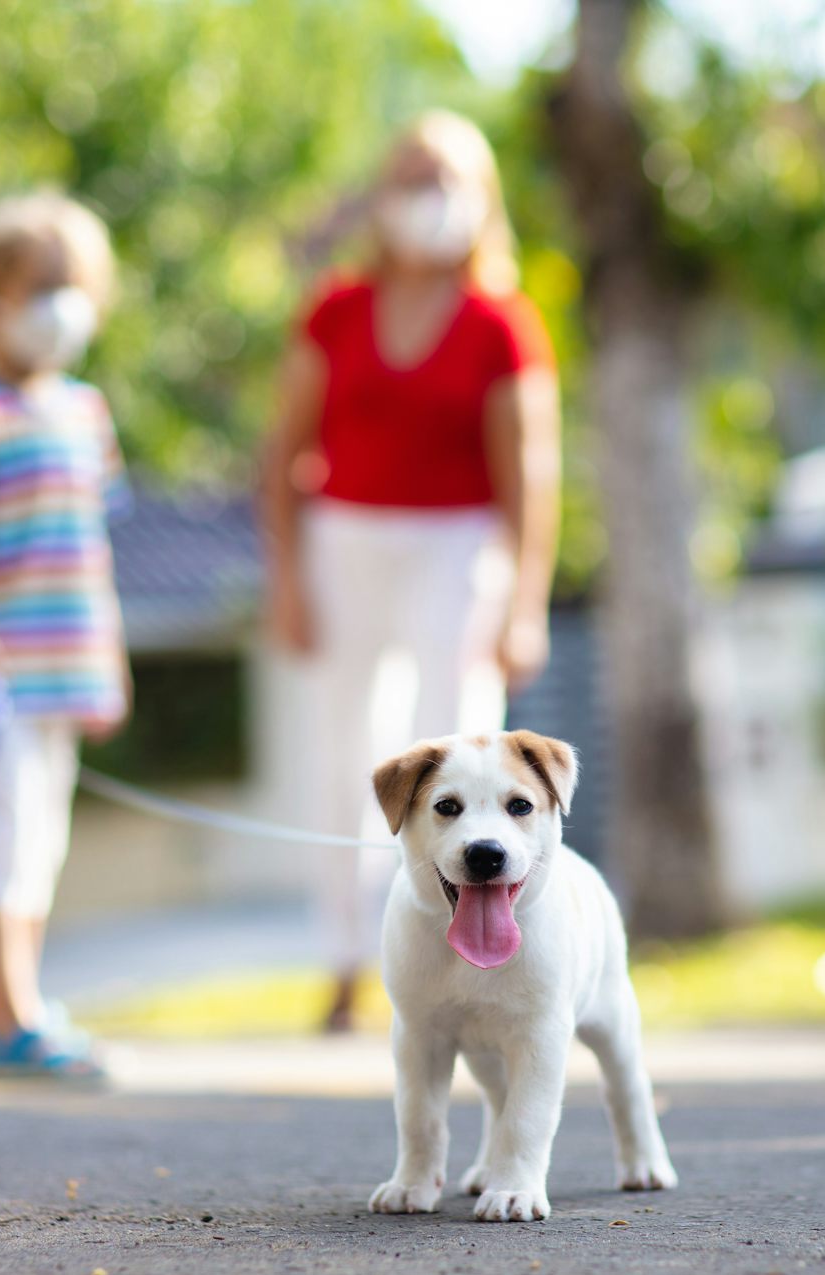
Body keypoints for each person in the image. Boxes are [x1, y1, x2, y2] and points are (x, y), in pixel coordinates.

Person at [261, 111, 563, 1031]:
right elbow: (282, 452)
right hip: (343, 540)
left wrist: (527, 601)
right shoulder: (335, 309)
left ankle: (462, 957)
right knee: (341, 754)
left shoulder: (502, 324)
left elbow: (530, 476)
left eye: (448, 180)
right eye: (413, 177)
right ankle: (347, 962)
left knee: (457, 751)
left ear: (483, 201)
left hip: (459, 547)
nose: (428, 199)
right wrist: (285, 577)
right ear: (381, 195)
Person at [0, 191, 132, 1078]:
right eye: (41, 284)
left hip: (64, 673)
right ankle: (10, 1017)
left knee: (39, 849)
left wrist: (106, 663)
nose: (61, 303)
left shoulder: (86, 413)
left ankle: (10, 1009)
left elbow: (93, 547)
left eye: (74, 284)